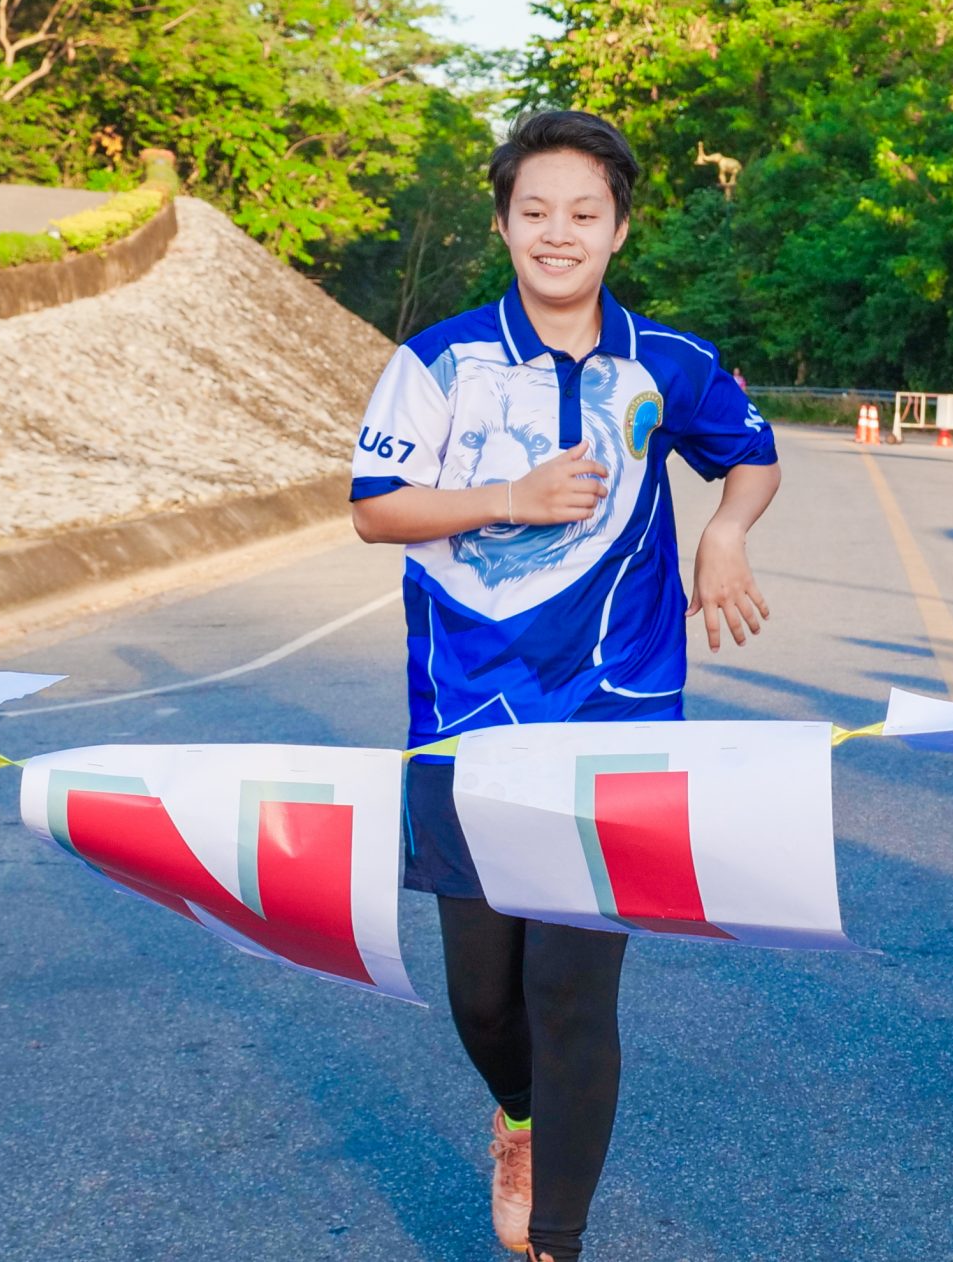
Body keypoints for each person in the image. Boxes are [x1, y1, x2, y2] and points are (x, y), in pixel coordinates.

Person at [349, 109, 781, 1261]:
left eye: (583, 213)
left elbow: (751, 454)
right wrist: (509, 497)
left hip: (617, 715)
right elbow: (374, 509)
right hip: (464, 713)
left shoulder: (667, 361)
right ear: (502, 224)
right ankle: (520, 1114)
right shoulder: (438, 362)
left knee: (573, 993)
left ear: (618, 228)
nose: (558, 232)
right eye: (534, 210)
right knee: (486, 998)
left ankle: (558, 1238)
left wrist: (725, 533)